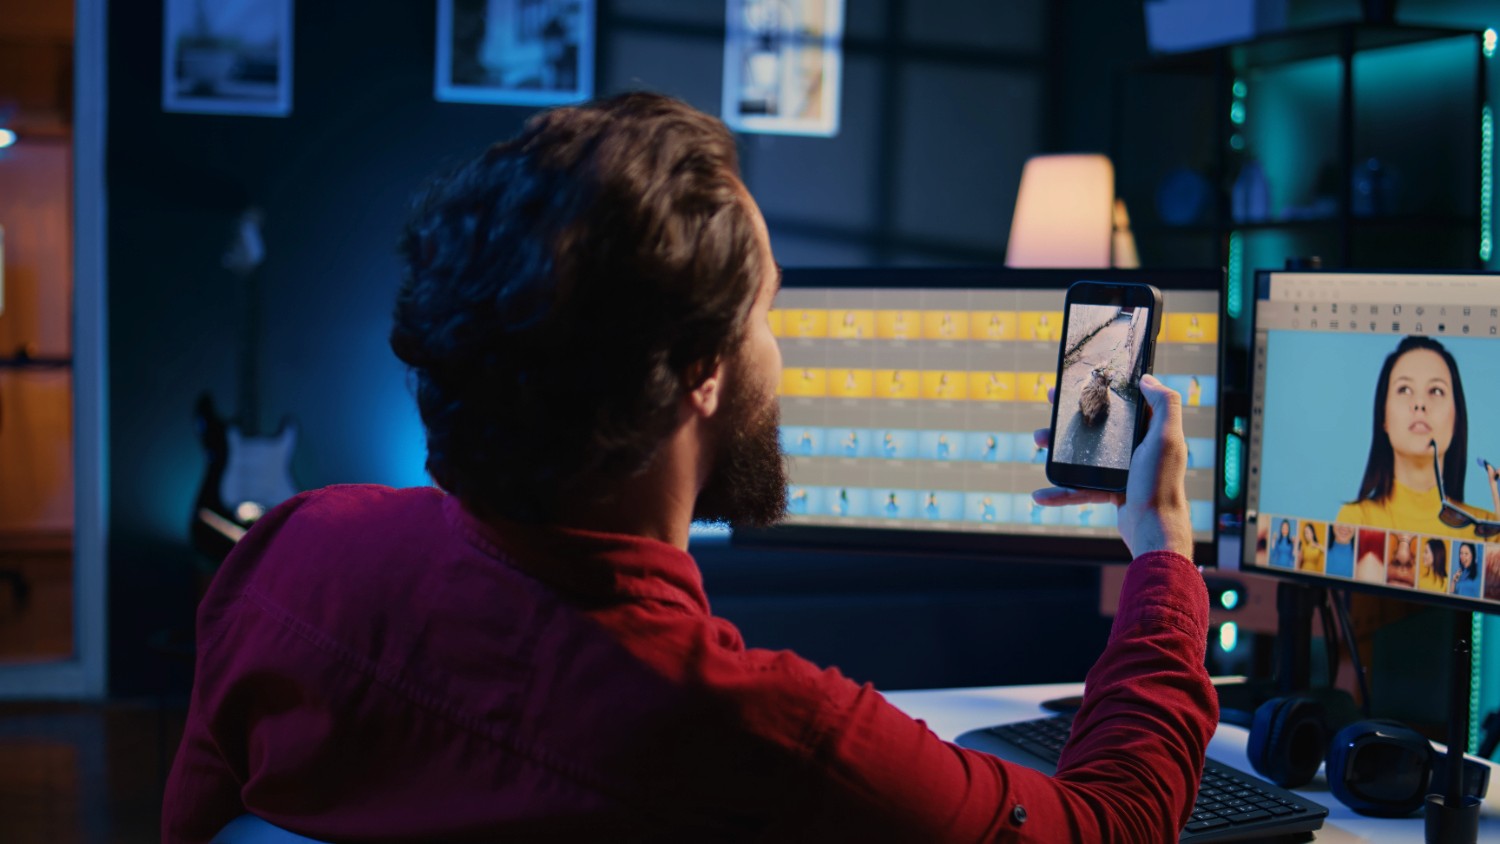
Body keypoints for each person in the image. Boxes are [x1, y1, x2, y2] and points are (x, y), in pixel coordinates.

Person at [163, 92, 1215, 842]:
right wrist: (1161, 551)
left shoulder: (294, 547)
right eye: (769, 314)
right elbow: (1110, 825)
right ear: (704, 372)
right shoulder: (764, 732)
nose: (782, 348)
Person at [1335, 336, 1497, 539]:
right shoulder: (1355, 521)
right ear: (1383, 416)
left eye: (1436, 391)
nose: (1420, 403)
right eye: (1404, 389)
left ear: (1457, 418)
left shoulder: (1489, 531)